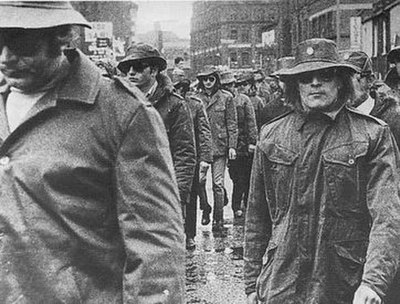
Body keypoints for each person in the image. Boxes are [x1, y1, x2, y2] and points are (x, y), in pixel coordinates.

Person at [0, 2, 186, 303]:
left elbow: (155, 245)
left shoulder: (121, 113)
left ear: (61, 36)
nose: (5, 57)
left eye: (21, 42)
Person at [244, 38, 400, 304]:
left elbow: (387, 216)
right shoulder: (272, 136)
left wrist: (373, 282)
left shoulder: (372, 135)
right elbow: (257, 214)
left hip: (343, 281)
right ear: (295, 85)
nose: (315, 83)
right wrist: (251, 282)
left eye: (325, 75)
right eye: (306, 78)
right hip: (283, 281)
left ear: (341, 80)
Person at [118, 43, 196, 219]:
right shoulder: (117, 103)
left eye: (138, 67)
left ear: (153, 71)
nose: (131, 72)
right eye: (127, 68)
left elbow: (184, 154)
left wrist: (178, 196)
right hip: (125, 196)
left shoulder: (175, 105)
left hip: (161, 195)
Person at [195, 65, 238, 232]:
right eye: (204, 79)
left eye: (211, 79)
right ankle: (205, 208)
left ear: (216, 80)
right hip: (202, 147)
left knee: (217, 184)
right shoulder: (196, 99)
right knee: (199, 182)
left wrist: (232, 146)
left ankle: (218, 219)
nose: (207, 82)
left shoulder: (226, 98)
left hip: (220, 147)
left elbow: (232, 124)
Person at [174, 79, 212, 249]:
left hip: (191, 158)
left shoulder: (195, 105)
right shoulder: (167, 104)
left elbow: (204, 132)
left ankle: (189, 234)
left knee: (191, 197)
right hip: (168, 156)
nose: (179, 91)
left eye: (181, 88)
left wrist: (205, 158)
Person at [221, 70, 257, 218]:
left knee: (244, 178)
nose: (229, 88)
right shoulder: (221, 100)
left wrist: (252, 142)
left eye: (231, 85)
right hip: (227, 145)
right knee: (234, 176)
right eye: (225, 86)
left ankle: (240, 206)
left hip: (242, 146)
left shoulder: (243, 100)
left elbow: (251, 122)